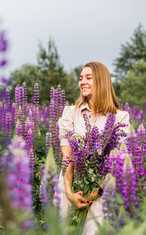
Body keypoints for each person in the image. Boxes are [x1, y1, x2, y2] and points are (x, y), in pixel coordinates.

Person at [58, 62, 130, 235]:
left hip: (103, 190)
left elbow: (117, 163)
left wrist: (95, 192)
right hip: (72, 187)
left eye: (88, 78)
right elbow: (67, 158)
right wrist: (69, 194)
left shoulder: (120, 117)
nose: (82, 82)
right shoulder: (70, 113)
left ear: (102, 81)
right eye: (81, 78)